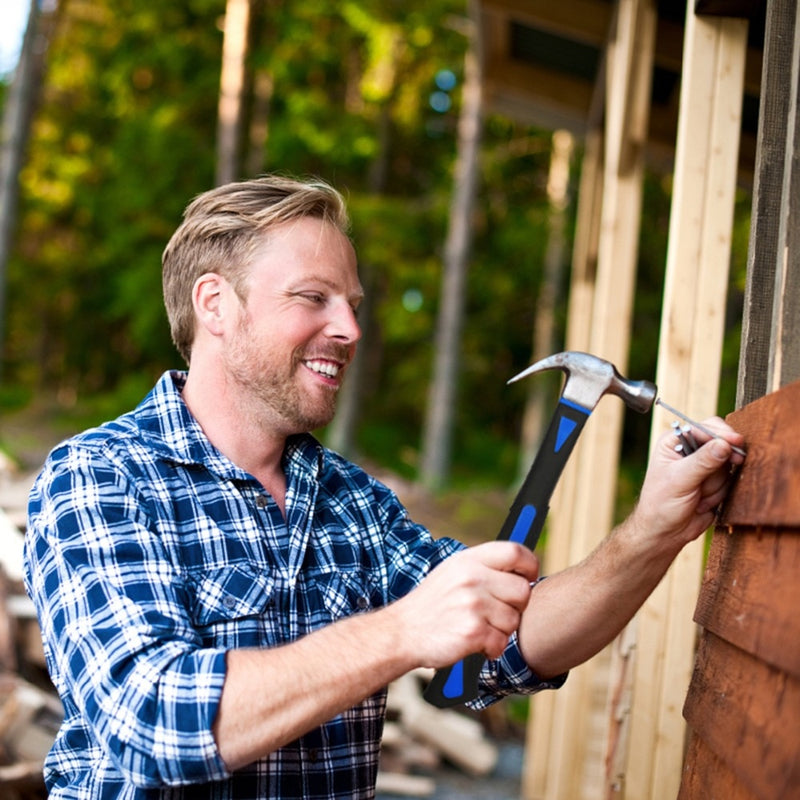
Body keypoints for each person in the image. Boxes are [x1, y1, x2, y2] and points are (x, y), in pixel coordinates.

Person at [23, 174, 745, 800]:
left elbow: (511, 640)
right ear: (215, 304)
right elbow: (151, 721)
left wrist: (655, 529)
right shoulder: (100, 478)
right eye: (315, 297)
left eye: (353, 304)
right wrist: (402, 631)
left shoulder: (354, 504)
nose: (350, 328)